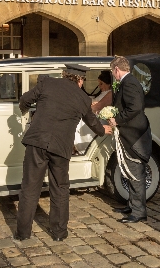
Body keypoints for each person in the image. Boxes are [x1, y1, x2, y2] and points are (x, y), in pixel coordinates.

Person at [15, 64, 113, 242]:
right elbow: (92, 121)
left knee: (29, 187)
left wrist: (26, 112)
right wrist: (103, 129)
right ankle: (59, 233)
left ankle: (23, 233)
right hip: (60, 147)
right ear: (80, 80)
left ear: (65, 75)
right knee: (60, 188)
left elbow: (25, 100)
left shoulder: (47, 83)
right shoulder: (82, 98)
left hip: (37, 142)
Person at [107, 56, 152, 224]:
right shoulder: (129, 81)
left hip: (135, 135)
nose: (113, 74)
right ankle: (132, 205)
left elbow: (136, 107)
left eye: (112, 71)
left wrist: (117, 120)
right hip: (131, 133)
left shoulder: (130, 82)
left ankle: (139, 211)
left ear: (117, 69)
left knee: (135, 173)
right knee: (130, 171)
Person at [74, 70, 113, 155]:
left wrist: (92, 105)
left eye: (101, 84)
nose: (99, 86)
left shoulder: (110, 94)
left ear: (108, 84)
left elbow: (98, 106)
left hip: (98, 118)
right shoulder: (102, 93)